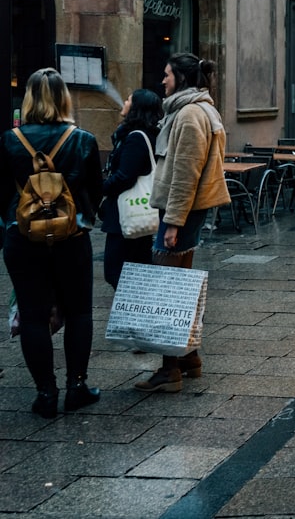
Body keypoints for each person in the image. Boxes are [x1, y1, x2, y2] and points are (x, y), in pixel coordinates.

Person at [1, 67, 102, 417]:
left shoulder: (9, 141)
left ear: (28, 98)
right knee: (79, 312)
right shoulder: (83, 139)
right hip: (71, 236)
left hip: (22, 236)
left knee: (32, 315)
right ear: (64, 98)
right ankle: (76, 386)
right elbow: (95, 191)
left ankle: (45, 393)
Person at [134, 53, 229, 393]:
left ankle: (169, 369)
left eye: (168, 74)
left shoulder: (189, 114)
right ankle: (188, 357)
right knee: (179, 287)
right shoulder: (198, 109)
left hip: (181, 212)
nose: (163, 80)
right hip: (186, 211)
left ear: (182, 79)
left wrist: (173, 222)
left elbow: (186, 173)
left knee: (168, 291)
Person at [100, 89, 162, 291]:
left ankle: (144, 302)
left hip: (127, 213)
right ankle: (143, 303)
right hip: (138, 212)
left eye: (128, 99)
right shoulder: (147, 134)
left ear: (136, 108)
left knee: (114, 270)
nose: (124, 102)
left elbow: (125, 176)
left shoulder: (136, 137)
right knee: (138, 265)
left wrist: (100, 188)